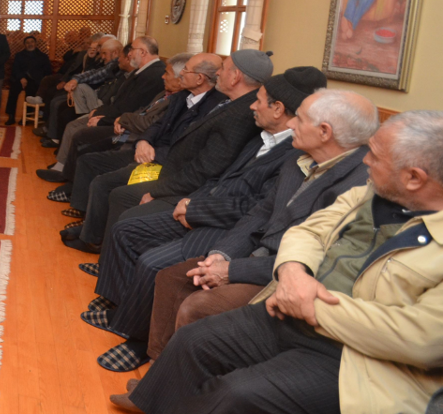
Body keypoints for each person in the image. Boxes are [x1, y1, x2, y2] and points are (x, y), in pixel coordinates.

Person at [121, 110, 443, 414]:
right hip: (288, 309)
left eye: (375, 155)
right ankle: (156, 400)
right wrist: (293, 274)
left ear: (414, 178)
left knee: (236, 393)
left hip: (355, 354)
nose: (366, 160)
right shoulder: (372, 192)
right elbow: (308, 231)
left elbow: (422, 340)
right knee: (194, 340)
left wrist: (310, 306)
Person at [86, 68, 333, 373]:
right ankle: (119, 307)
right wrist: (189, 201)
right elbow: (221, 177)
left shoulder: (292, 154)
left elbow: (254, 209)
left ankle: (136, 339)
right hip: (204, 205)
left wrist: (196, 210)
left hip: (225, 226)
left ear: (278, 109)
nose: (252, 106)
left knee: (153, 263)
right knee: (126, 229)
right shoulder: (261, 137)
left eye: (258, 101)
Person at [146, 89, 377, 358]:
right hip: (254, 254)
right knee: (172, 278)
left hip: (283, 276)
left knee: (198, 306)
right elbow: (259, 213)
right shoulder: (299, 159)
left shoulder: (359, 184)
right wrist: (222, 255)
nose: (291, 124)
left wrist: (232, 270)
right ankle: (158, 368)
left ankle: (178, 378)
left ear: (324, 132)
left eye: (299, 119)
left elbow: (319, 262)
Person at [60, 53, 228, 251]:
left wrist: (152, 152)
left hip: (167, 165)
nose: (180, 74)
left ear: (199, 78)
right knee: (99, 174)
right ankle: (91, 233)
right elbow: (156, 125)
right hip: (146, 150)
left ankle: (100, 244)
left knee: (112, 187)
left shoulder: (215, 107)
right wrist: (144, 141)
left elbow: (187, 148)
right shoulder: (182, 96)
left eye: (185, 70)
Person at [39, 38, 166, 182]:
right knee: (74, 124)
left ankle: (67, 176)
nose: (129, 54)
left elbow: (131, 107)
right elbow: (121, 102)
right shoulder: (143, 71)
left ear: (142, 52)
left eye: (132, 50)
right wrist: (100, 112)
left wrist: (102, 119)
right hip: (117, 117)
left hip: (125, 126)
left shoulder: (153, 74)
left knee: (80, 134)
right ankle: (64, 171)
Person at [42, 38, 123, 145]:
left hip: (100, 102)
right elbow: (89, 71)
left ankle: (81, 116)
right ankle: (55, 137)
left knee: (66, 107)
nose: (102, 55)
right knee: (57, 102)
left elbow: (96, 75)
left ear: (115, 53)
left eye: (104, 53)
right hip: (94, 96)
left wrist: (75, 80)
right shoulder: (102, 60)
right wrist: (89, 59)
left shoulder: (116, 65)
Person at [4, 35, 52, 125]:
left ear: (35, 43)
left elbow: (47, 71)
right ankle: (11, 116)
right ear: (25, 45)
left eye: (32, 42)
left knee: (31, 91)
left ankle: (26, 117)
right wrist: (22, 78)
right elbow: (15, 69)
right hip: (20, 79)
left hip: (35, 80)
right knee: (13, 90)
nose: (30, 44)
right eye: (27, 43)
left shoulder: (43, 56)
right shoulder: (19, 55)